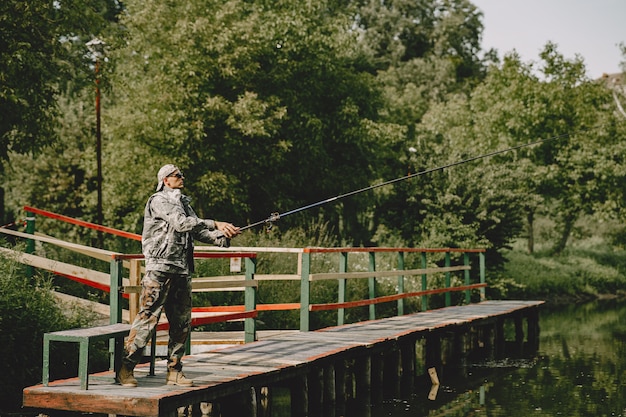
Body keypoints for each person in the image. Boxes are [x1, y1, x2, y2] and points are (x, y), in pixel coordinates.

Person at [116, 164, 240, 387]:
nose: (182, 178)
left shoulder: (183, 203)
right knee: (147, 319)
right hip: (159, 270)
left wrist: (220, 236)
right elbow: (181, 223)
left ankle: (174, 371)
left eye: (181, 175)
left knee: (181, 323)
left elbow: (197, 230)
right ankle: (125, 369)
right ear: (166, 180)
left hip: (181, 269)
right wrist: (215, 222)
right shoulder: (159, 200)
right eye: (177, 175)